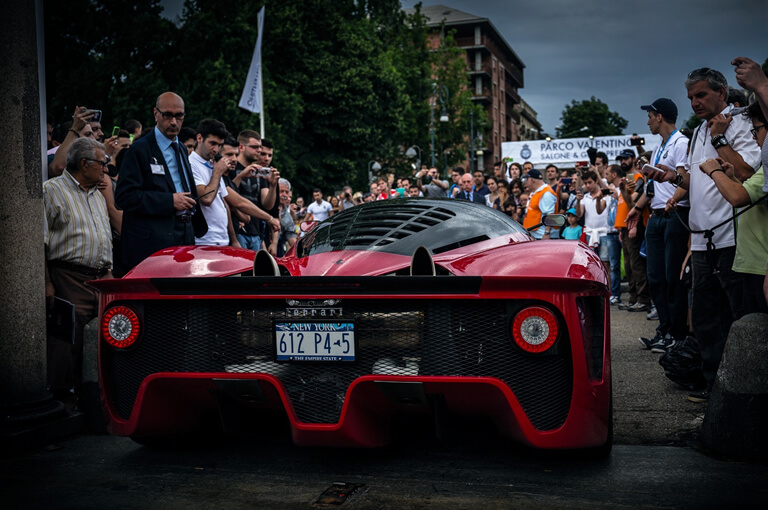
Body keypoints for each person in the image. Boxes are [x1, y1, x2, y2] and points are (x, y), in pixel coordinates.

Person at [664, 68, 761, 402]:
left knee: (739, 316)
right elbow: (699, 183)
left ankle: (744, 390)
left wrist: (721, 139)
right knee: (705, 318)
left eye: (702, 95)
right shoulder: (697, 133)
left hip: (732, 239)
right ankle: (713, 385)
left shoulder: (739, 124)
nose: (695, 102)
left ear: (722, 92)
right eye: (691, 97)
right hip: (702, 239)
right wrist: (673, 178)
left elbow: (748, 173)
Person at [44, 138, 113, 401]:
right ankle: (61, 404)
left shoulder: (97, 193)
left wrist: (108, 271)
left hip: (100, 279)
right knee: (66, 343)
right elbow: (40, 241)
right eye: (102, 164)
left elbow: (103, 234)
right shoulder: (52, 191)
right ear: (84, 164)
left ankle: (93, 404)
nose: (105, 169)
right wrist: (47, 282)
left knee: (101, 346)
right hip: (68, 276)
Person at [115, 92, 207, 269]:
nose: (173, 122)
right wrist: (169, 201)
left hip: (184, 234)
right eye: (167, 115)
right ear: (155, 114)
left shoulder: (180, 147)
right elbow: (124, 197)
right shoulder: (139, 150)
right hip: (152, 242)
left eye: (179, 116)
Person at [627, 98, 690, 351]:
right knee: (656, 278)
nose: (648, 121)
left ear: (660, 117)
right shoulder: (658, 147)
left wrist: (674, 199)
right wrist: (637, 207)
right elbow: (652, 187)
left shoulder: (681, 142)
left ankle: (676, 334)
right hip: (655, 216)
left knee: (671, 278)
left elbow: (686, 180)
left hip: (675, 215)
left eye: (650, 116)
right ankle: (664, 330)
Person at [698, 101, 768, 314]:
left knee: (754, 329)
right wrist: (731, 179)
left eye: (756, 130)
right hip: (750, 263)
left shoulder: (766, 170)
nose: (754, 138)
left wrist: (714, 172)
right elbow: (750, 198)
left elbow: (738, 198)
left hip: (759, 265)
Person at [188, 119, 238, 247]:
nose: (216, 149)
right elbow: (207, 198)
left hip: (222, 238)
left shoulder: (214, 164)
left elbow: (223, 203)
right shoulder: (191, 163)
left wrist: (233, 239)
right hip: (205, 239)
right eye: (212, 143)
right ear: (199, 138)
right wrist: (217, 172)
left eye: (219, 145)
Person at [576, 170, 612, 277]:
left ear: (596, 181)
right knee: (591, 264)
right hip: (589, 233)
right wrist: (578, 201)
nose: (588, 185)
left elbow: (600, 210)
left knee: (605, 263)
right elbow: (579, 214)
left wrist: (598, 198)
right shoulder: (584, 197)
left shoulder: (605, 196)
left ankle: (609, 291)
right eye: (586, 183)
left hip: (604, 232)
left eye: (590, 182)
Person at [522, 169, 557, 239]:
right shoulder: (535, 192)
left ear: (532, 180)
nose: (526, 183)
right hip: (535, 235)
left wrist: (547, 233)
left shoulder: (546, 194)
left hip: (542, 236)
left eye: (527, 180)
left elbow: (550, 215)